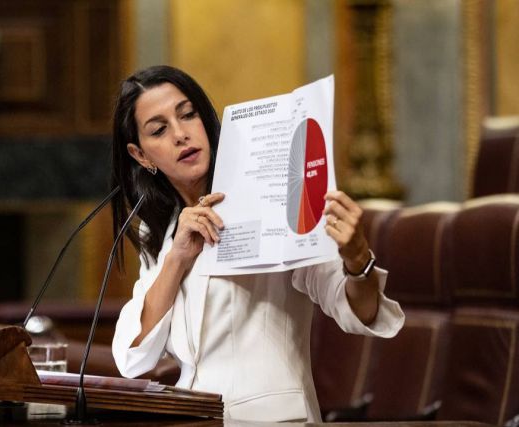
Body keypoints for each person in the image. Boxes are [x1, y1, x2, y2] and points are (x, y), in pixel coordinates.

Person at [110, 65, 404, 422]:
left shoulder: (274, 199)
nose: (180, 134)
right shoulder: (159, 232)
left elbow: (357, 310)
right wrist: (178, 258)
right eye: (159, 129)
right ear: (141, 155)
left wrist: (357, 259)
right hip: (194, 419)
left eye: (188, 115)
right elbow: (133, 356)